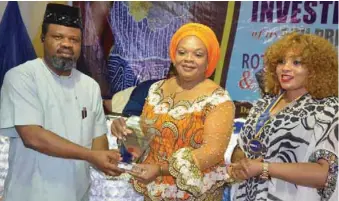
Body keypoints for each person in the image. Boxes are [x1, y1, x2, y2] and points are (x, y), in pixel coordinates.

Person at [0, 4, 122, 201]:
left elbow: (98, 144)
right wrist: (91, 156)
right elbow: (33, 137)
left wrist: (114, 156)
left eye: (74, 39)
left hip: (76, 194)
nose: (66, 44)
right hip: (29, 194)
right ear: (43, 39)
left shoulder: (90, 87)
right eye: (58, 37)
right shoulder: (22, 77)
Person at [110, 23, 235, 200]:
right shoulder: (155, 89)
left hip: (196, 193)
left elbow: (211, 153)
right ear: (173, 55)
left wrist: (161, 169)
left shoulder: (218, 99)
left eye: (198, 54)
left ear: (209, 60)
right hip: (155, 189)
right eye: (182, 52)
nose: (188, 59)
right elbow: (146, 137)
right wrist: (124, 131)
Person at [228, 32, 338, 201]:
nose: (285, 68)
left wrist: (265, 168)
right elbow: (241, 147)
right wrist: (241, 163)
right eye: (281, 61)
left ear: (316, 68)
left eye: (297, 62)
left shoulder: (329, 109)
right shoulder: (265, 103)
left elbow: (326, 174)